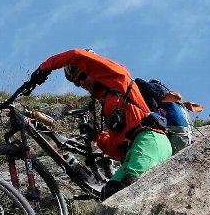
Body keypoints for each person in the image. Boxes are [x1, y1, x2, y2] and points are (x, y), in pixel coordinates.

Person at [27, 49, 173, 199]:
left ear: (93, 69)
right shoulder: (107, 102)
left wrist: (44, 69)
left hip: (150, 140)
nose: (82, 83)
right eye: (77, 82)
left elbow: (75, 55)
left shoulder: (118, 78)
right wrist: (98, 136)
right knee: (107, 195)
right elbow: (117, 151)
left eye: (83, 75)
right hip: (133, 152)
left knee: (130, 191)